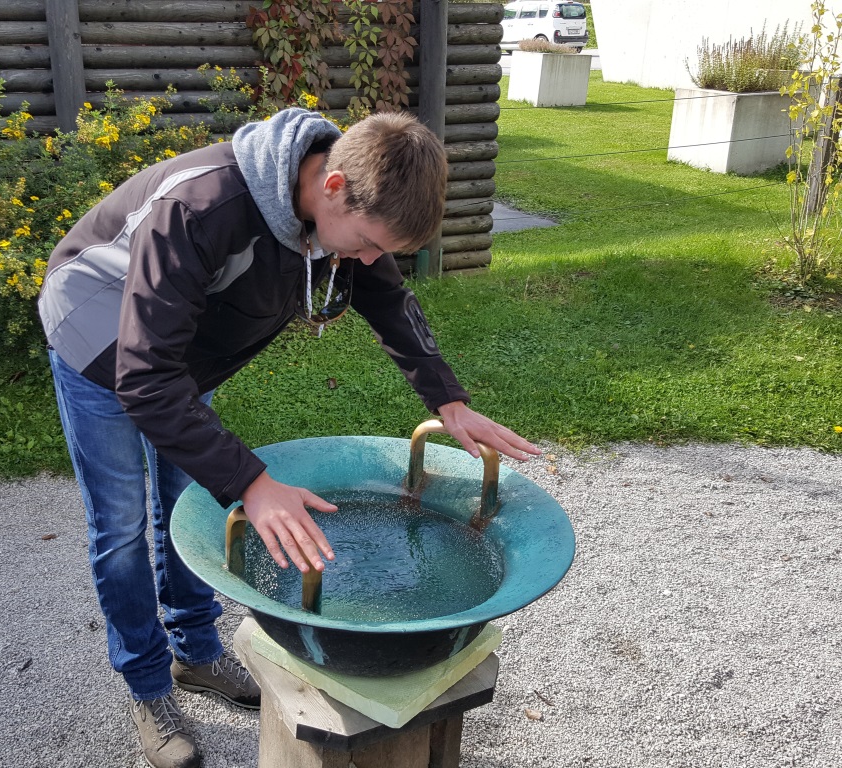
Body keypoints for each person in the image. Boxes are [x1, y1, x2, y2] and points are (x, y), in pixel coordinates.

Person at [38, 107, 541, 768]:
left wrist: (448, 400)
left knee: (188, 502)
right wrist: (251, 481)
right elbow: (146, 380)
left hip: (176, 353)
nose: (367, 261)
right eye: (366, 244)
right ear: (331, 187)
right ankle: (149, 688)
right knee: (124, 527)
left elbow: (386, 298)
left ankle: (196, 654)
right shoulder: (200, 209)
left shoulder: (345, 200)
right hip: (98, 339)